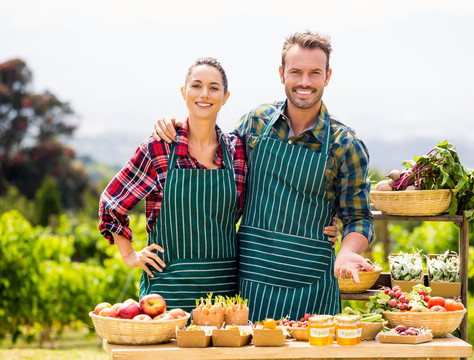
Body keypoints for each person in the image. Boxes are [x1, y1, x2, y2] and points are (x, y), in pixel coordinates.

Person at [152, 31, 374, 321]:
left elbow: (359, 217)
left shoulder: (345, 145)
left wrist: (346, 252)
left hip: (313, 288)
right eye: (296, 72)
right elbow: (211, 149)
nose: (304, 81)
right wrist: (175, 125)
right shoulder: (256, 123)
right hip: (252, 286)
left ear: (327, 76)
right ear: (282, 74)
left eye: (314, 73)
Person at [98, 58, 248, 312]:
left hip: (224, 296)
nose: (204, 94)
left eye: (214, 88)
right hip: (167, 294)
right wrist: (129, 255)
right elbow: (112, 202)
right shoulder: (160, 147)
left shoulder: (237, 151)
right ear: (184, 92)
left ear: (225, 96)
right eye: (196, 85)